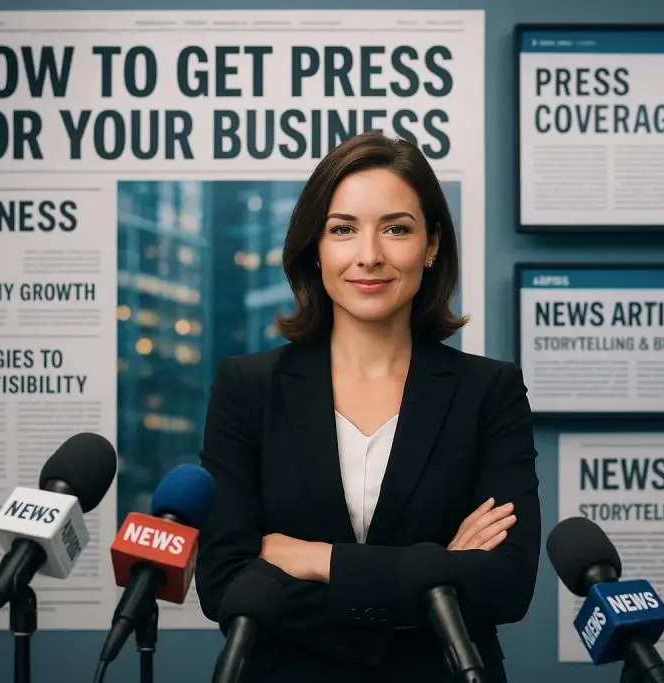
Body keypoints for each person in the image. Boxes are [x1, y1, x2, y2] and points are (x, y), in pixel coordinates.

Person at [195, 131, 540, 682]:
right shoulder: (248, 388)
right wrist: (434, 576)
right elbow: (226, 585)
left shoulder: (489, 392)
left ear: (431, 246)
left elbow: (507, 586)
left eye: (397, 229)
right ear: (316, 247)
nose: (370, 255)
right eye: (343, 230)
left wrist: (315, 560)